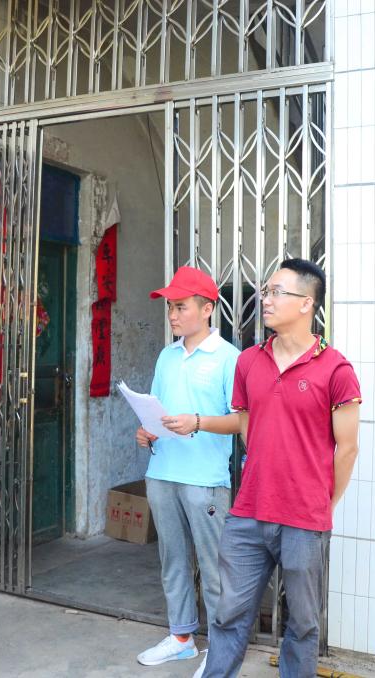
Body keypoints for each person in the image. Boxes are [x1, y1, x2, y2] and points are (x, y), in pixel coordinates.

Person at [201, 258, 361, 678]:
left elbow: (347, 449)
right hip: (248, 512)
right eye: (265, 291)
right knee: (228, 615)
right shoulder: (249, 362)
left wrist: (322, 504)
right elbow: (247, 426)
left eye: (276, 292)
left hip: (304, 519)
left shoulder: (336, 369)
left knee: (303, 624)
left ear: (306, 303)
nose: (265, 300)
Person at [134, 266, 241, 670]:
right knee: (173, 560)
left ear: (207, 308)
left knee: (214, 569)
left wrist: (198, 421)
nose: (173, 315)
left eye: (180, 307)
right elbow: (156, 410)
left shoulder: (229, 358)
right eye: (170, 308)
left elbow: (242, 420)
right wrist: (146, 431)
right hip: (162, 474)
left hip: (205, 480)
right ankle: (181, 637)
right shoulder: (168, 356)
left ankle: (221, 649)